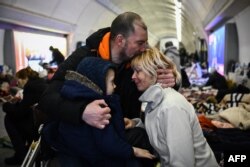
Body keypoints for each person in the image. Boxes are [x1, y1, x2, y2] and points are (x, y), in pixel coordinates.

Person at [39, 12, 176, 167]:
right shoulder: (84, 57)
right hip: (83, 135)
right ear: (120, 40)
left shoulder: (136, 59)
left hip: (119, 130)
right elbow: (47, 98)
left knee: (143, 142)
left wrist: (172, 80)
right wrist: (82, 111)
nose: (145, 48)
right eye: (140, 43)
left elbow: (160, 76)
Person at [127, 47, 219, 167]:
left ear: (154, 72)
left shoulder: (171, 106)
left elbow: (183, 163)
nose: (133, 77)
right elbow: (160, 131)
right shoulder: (153, 102)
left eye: (138, 71)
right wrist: (135, 124)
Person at [58, 57, 154, 166]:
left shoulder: (76, 99)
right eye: (112, 82)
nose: (115, 86)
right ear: (98, 83)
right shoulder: (98, 110)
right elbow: (109, 144)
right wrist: (134, 151)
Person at [2, 67, 48, 165]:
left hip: (38, 127)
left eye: (18, 80)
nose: (17, 83)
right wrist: (18, 102)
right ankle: (20, 154)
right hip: (45, 123)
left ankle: (21, 155)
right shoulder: (39, 83)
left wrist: (6, 104)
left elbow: (20, 112)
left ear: (25, 78)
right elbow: (27, 105)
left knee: (9, 119)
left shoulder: (30, 87)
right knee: (16, 119)